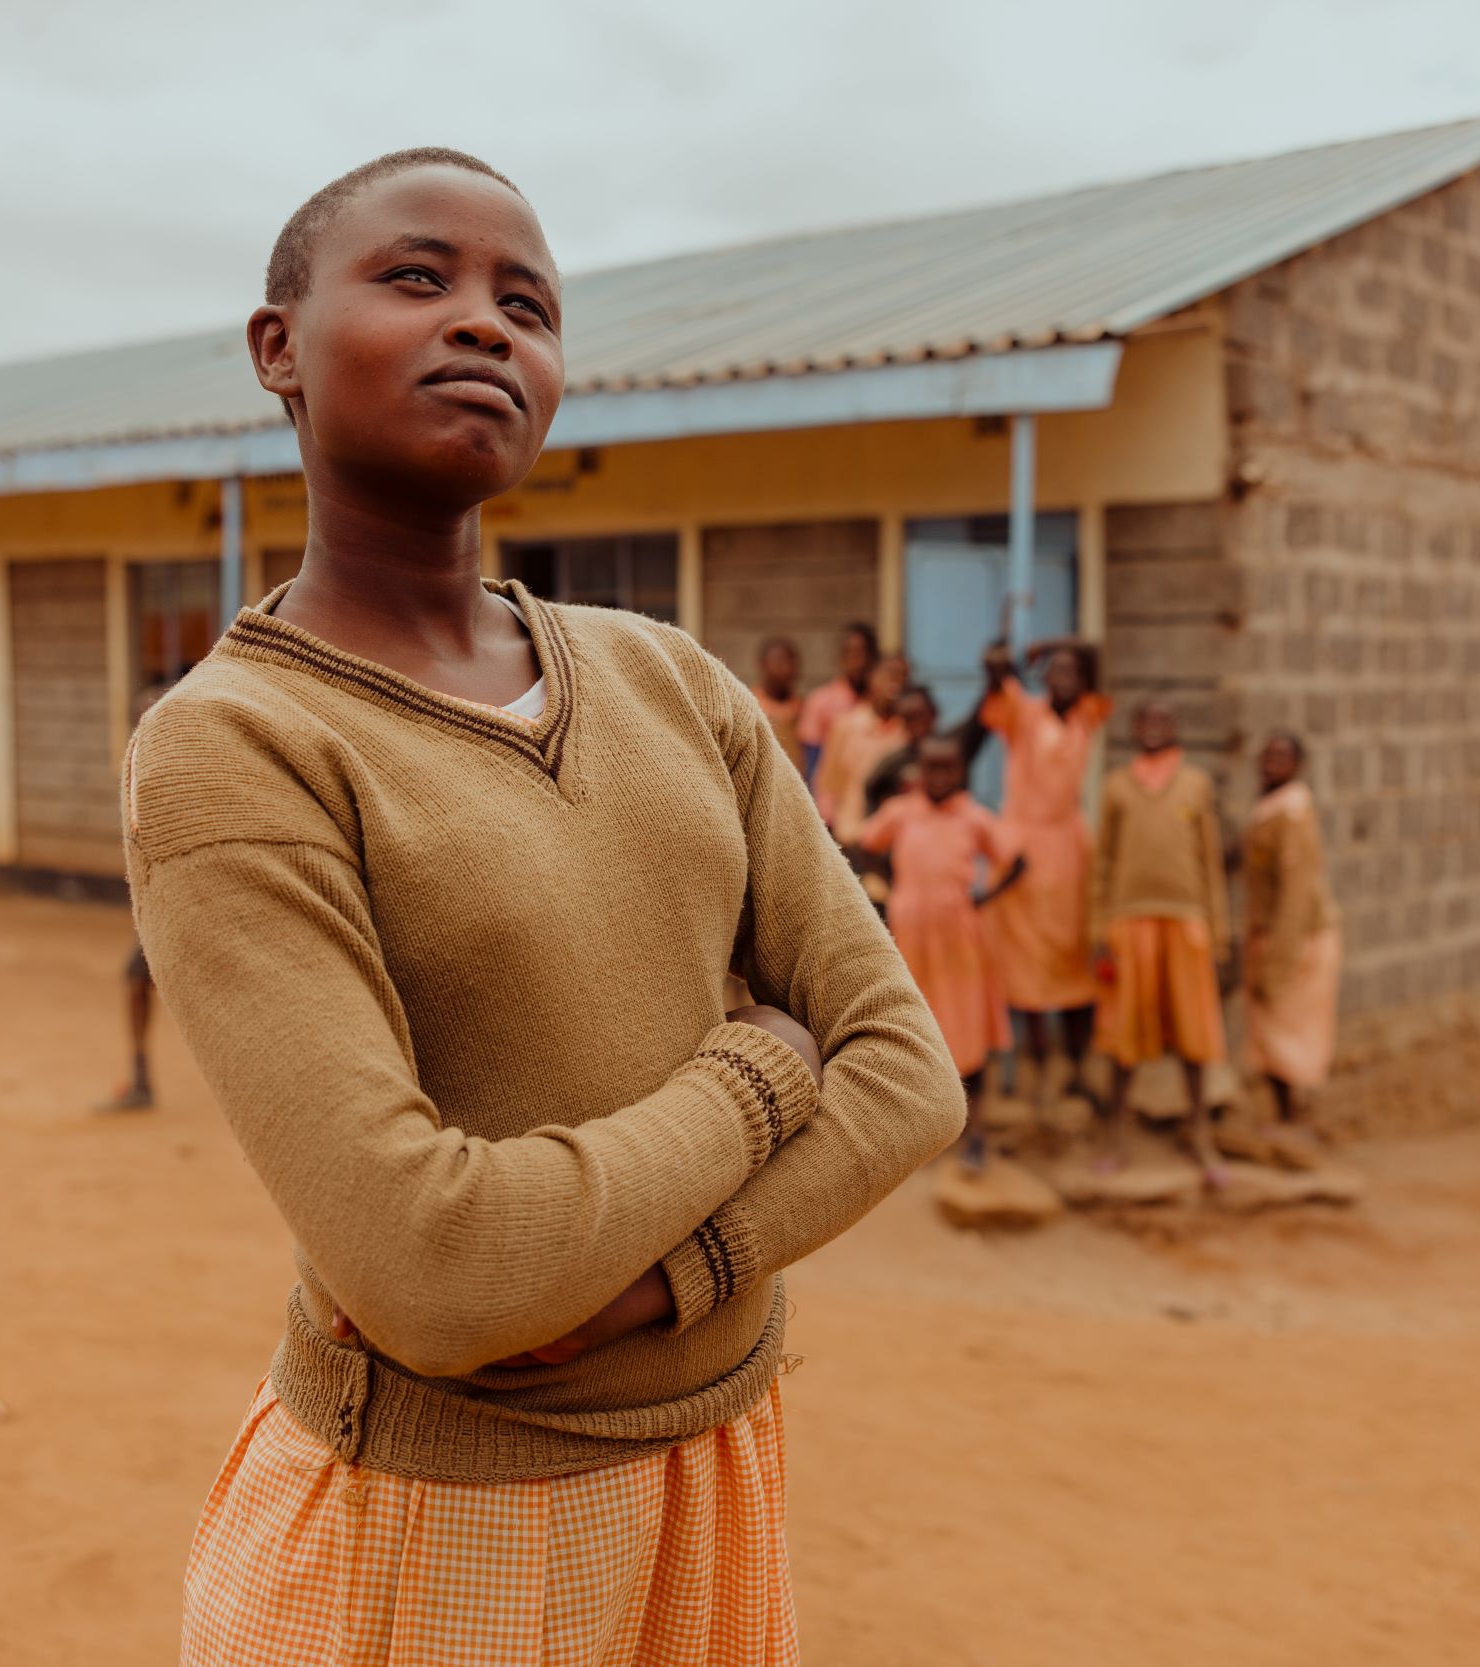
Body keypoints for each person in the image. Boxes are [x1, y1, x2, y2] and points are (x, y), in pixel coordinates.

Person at [126, 148, 962, 1666]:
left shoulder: (669, 679)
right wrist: (761, 1070)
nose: (486, 324)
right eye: (416, 276)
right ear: (277, 350)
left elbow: (908, 1069)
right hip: (443, 1521)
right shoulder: (236, 744)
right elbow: (439, 1269)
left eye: (529, 303)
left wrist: (672, 1276)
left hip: (719, 1462)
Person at [853, 734, 1024, 1173]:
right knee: (918, 1030)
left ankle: (976, 1134)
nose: (939, 776)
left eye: (948, 767)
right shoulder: (902, 812)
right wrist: (892, 882)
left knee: (968, 1034)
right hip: (912, 943)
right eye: (931, 767)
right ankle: (924, 1132)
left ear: (961, 772)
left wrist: (983, 898)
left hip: (960, 945)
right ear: (919, 771)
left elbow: (1017, 860)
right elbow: (862, 844)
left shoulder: (973, 817)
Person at [1090, 700, 1232, 1167]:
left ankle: (1199, 1131)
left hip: (1186, 920)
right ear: (1132, 729)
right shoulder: (1116, 785)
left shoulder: (1195, 784)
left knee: (1195, 1034)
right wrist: (1099, 927)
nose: (1153, 729)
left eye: (1162, 722)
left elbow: (1210, 860)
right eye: (1144, 720)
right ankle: (1116, 1134)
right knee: (1125, 1034)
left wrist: (1217, 930)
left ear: (1175, 729)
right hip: (1130, 923)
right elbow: (1103, 862)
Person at [979, 638, 1113, 1108]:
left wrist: (1052, 644)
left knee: (1076, 958)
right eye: (1053, 671)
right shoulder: (1023, 713)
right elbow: (995, 673)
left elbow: (1097, 658)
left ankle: (1077, 1068)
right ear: (1041, 678)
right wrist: (1006, 658)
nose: (1062, 679)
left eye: (1070, 672)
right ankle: (1036, 1071)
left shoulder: (1087, 716)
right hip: (1024, 852)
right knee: (1024, 962)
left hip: (1070, 851)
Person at [1241, 731, 1342, 1129]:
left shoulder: (1293, 814)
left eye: (1282, 757)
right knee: (1270, 1031)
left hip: (1297, 939)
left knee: (1286, 1029)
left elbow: (1296, 898)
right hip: (1275, 935)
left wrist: (1279, 962)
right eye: (1267, 754)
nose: (1271, 762)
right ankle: (1284, 1118)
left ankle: (1291, 1119)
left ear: (1298, 766)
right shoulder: (1270, 808)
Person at [96, 676, 180, 1114]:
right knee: (135, 979)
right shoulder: (142, 772)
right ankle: (142, 1079)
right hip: (169, 904)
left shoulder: (195, 764)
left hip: (200, 902)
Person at [811, 651, 910, 840]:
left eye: (902, 675)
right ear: (872, 677)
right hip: (852, 834)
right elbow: (828, 784)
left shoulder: (907, 731)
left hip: (894, 841)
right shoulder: (846, 726)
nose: (895, 681)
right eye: (889, 673)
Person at [859, 684, 991, 822]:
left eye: (920, 716)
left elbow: (981, 717)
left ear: (933, 713)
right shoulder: (894, 763)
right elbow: (871, 789)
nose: (939, 778)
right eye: (909, 718)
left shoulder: (954, 747)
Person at [796, 621, 877, 783]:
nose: (858, 662)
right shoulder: (819, 701)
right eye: (851, 654)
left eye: (862, 653)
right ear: (841, 657)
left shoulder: (880, 704)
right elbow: (812, 761)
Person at [751, 634, 803, 762]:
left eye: (790, 661)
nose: (784, 669)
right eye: (778, 661)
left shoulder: (803, 709)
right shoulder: (750, 706)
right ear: (763, 664)